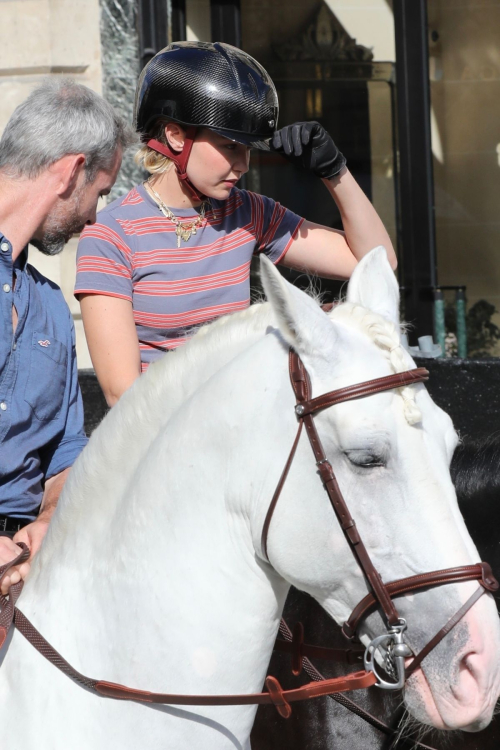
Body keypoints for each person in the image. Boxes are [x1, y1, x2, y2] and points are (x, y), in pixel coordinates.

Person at [75, 41, 397, 408]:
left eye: (248, 149)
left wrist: (334, 171)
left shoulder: (248, 213)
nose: (243, 164)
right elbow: (123, 395)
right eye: (230, 146)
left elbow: (378, 262)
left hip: (246, 423)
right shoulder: (110, 236)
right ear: (175, 135)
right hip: (166, 442)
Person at [0, 78, 132, 593]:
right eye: (99, 193)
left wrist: (52, 516)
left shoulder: (51, 305)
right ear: (73, 171)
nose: (95, 216)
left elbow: (65, 445)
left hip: (27, 578)